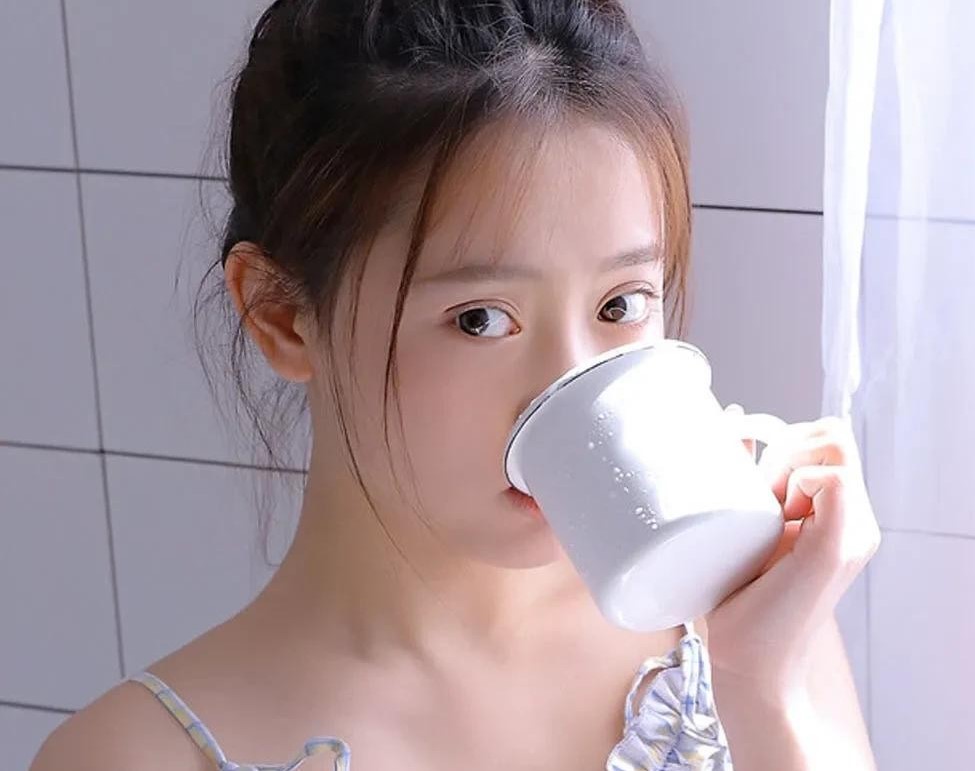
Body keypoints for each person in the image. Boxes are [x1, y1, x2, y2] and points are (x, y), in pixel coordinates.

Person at [31, 1, 880, 769]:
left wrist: (762, 689)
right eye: (479, 318)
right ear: (282, 315)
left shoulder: (755, 625)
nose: (567, 384)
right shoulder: (130, 756)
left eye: (620, 304)